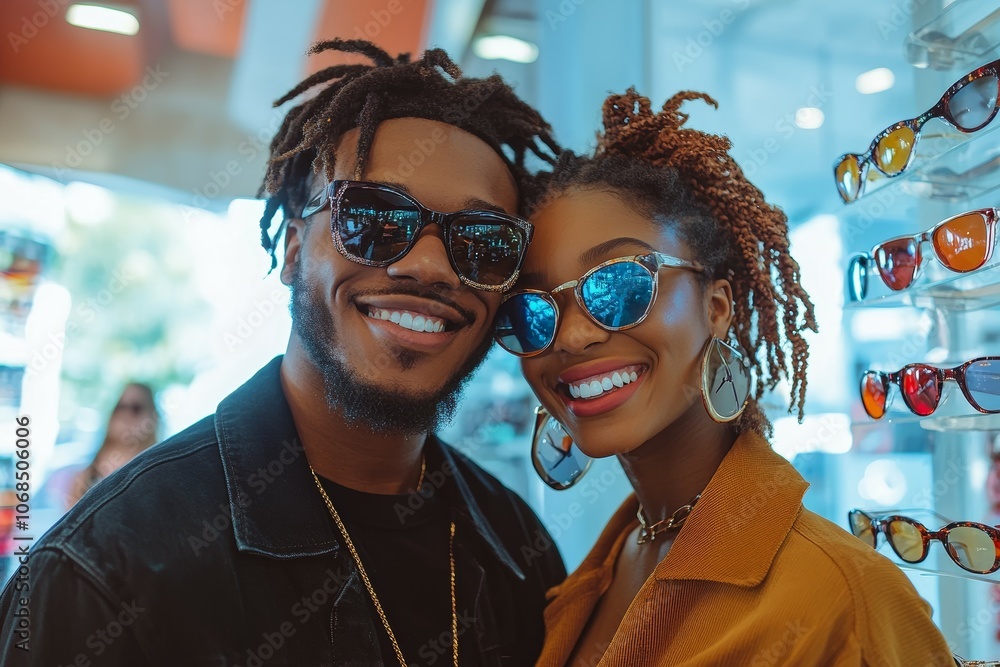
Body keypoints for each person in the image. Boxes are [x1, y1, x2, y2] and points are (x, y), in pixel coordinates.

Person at [0, 40, 565, 666]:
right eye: (373, 219)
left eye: (483, 241)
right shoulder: (109, 570)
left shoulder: (522, 553)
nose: (429, 264)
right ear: (294, 249)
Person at [494, 89, 956, 665]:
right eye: (530, 312)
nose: (572, 336)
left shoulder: (841, 597)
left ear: (716, 308)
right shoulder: (601, 570)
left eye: (618, 287)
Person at [42, 382, 160, 510]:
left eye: (135, 408)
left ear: (152, 417)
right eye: (120, 406)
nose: (125, 414)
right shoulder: (81, 478)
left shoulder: (156, 479)